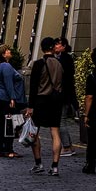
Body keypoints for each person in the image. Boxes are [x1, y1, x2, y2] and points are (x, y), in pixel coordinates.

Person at [27, 36, 64, 176]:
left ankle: (38, 163)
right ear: (53, 48)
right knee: (55, 132)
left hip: (41, 101)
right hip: (56, 101)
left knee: (35, 132)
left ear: (42, 48)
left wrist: (30, 107)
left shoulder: (38, 64)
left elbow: (33, 87)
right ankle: (55, 166)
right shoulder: (59, 64)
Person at [0, 44, 26, 158]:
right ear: (3, 54)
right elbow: (9, 83)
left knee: (1, 123)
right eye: (7, 50)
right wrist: (12, 98)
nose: (10, 51)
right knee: (9, 123)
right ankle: (8, 149)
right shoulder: (6, 66)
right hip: (5, 98)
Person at [54, 38, 78, 157]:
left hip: (63, 94)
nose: (56, 46)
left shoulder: (64, 59)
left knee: (61, 121)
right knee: (61, 120)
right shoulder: (64, 58)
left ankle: (67, 147)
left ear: (63, 46)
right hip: (66, 94)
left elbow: (64, 78)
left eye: (58, 44)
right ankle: (68, 145)